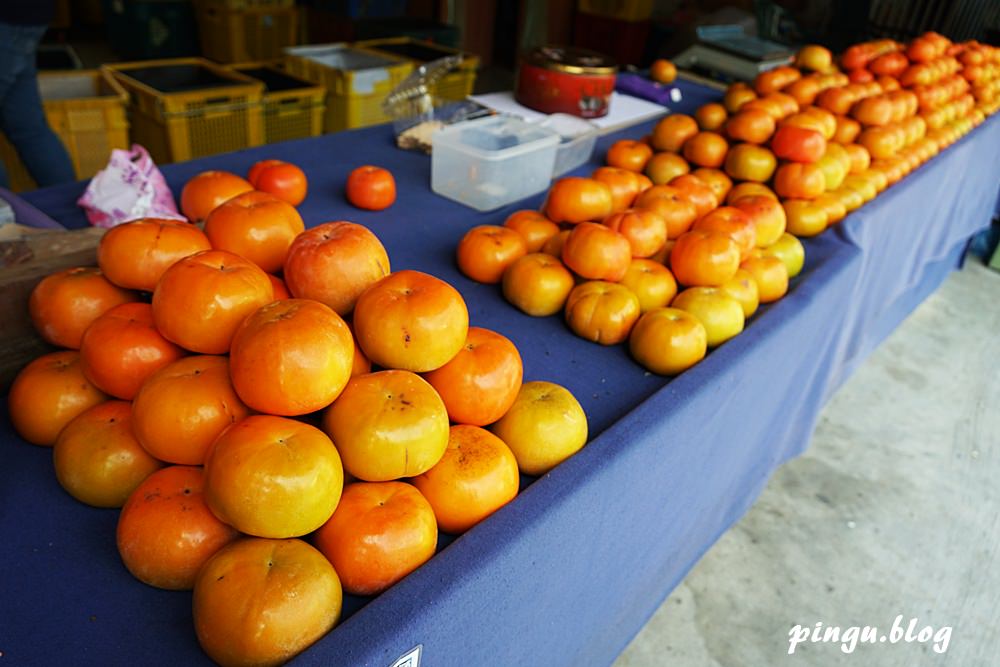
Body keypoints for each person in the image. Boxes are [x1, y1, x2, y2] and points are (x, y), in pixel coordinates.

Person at [0, 0, 76, 189]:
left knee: (29, 128)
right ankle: (67, 208)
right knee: (28, 127)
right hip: (28, 16)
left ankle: (2, 215)